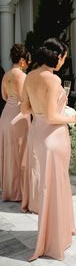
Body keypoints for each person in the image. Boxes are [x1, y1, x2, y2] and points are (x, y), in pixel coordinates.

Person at [21, 38, 76, 261]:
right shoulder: (53, 80)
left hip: (38, 134)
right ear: (57, 57)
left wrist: (40, 109)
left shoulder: (29, 76)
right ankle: (53, 238)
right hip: (54, 136)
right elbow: (52, 116)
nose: (64, 60)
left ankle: (59, 229)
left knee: (49, 185)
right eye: (64, 57)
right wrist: (75, 118)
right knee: (55, 185)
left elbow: (25, 108)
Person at [0, 44, 31, 201]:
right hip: (19, 116)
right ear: (21, 60)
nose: (28, 64)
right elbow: (24, 99)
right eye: (27, 61)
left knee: (8, 153)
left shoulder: (6, 75)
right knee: (19, 154)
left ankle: (7, 188)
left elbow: (4, 96)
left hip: (5, 115)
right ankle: (17, 192)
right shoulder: (22, 76)